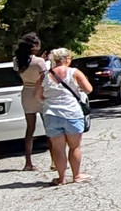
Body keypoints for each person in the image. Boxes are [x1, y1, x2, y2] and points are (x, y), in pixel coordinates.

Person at [34, 48, 93, 186]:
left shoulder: (44, 76)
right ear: (67, 59)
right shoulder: (74, 73)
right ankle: (77, 175)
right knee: (75, 147)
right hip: (72, 113)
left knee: (58, 148)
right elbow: (89, 89)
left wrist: (48, 101)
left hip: (51, 114)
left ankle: (61, 178)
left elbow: (37, 95)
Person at [12, 32, 48, 171]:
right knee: (48, 129)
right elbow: (44, 75)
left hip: (26, 92)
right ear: (34, 46)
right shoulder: (39, 61)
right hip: (40, 92)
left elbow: (21, 69)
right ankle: (53, 162)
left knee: (30, 130)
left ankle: (28, 162)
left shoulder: (17, 60)